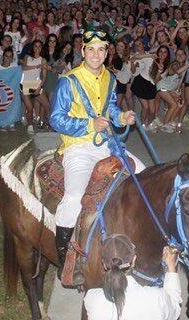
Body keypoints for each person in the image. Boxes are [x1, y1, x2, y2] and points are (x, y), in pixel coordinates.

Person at [48, 28, 142, 277]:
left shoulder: (110, 78)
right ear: (83, 51)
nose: (96, 54)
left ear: (106, 52)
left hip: (106, 144)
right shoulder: (69, 81)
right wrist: (90, 124)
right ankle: (62, 259)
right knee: (73, 198)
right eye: (91, 49)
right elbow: (56, 119)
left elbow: (109, 107)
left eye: (101, 49)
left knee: (142, 178)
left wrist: (122, 116)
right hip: (78, 147)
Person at [84, 235, 182, 320]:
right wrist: (171, 267)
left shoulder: (92, 299)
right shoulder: (156, 298)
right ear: (134, 260)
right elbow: (175, 306)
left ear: (104, 264)